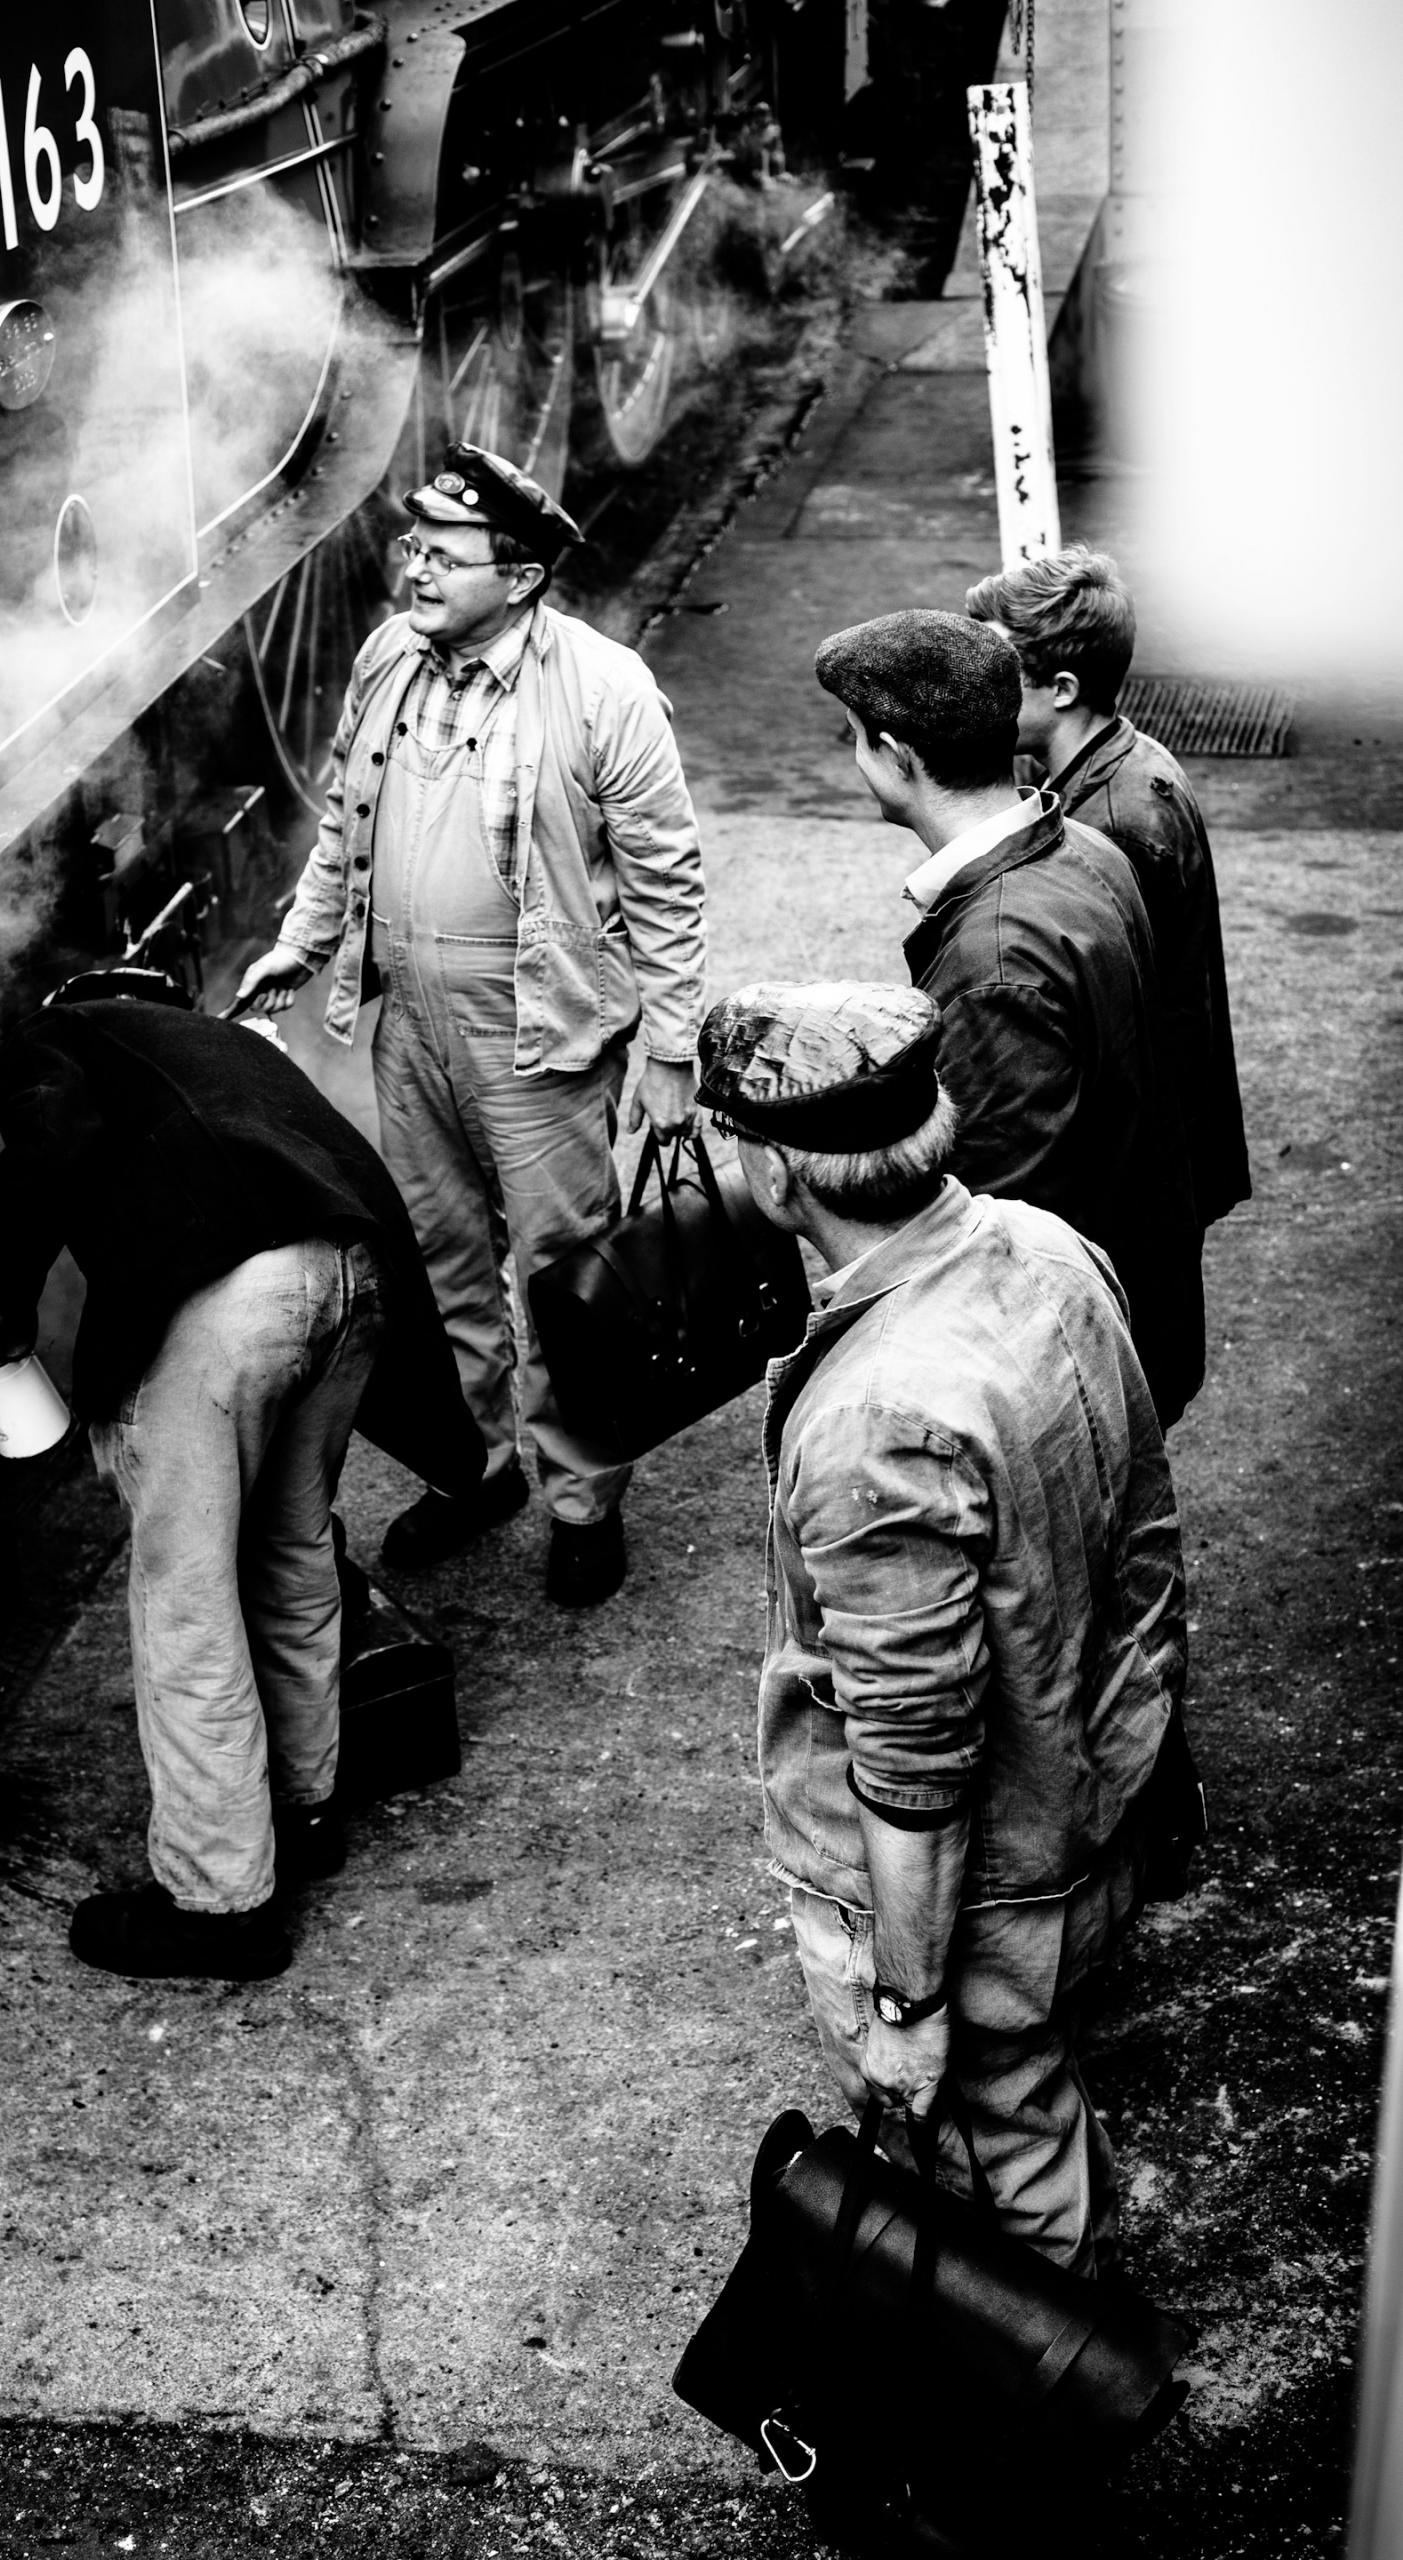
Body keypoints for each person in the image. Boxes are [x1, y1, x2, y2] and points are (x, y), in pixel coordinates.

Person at [696, 977, 1189, 2277]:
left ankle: (1051, 2381)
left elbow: (913, 1760)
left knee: (990, 2169)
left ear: (778, 1171)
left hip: (979, 1897)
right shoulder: (1045, 1247)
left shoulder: (881, 1421)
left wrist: (907, 2002)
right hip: (1085, 1803)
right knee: (1023, 2104)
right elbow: (1143, 1540)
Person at [0, 968, 483, 1982]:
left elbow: (46, 1149)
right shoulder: (220, 1046)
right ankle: (303, 1812)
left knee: (186, 1598)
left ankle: (220, 1904)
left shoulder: (61, 1031)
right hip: (356, 1277)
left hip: (239, 1301)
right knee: (293, 1550)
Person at [236, 442, 707, 1607]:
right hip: (411, 1021)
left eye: (445, 556)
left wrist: (671, 1048)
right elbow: (344, 820)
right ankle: (480, 1468)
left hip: (536, 1029)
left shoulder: (604, 688)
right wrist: (303, 940)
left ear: (523, 576)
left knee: (563, 1275)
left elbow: (667, 883)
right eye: (415, 546)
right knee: (440, 1260)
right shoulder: (388, 656)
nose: (415, 570)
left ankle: (584, 1500)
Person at [814, 607, 1205, 1427]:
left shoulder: (993, 962)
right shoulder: (1086, 848)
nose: (854, 756)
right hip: (1132, 1302)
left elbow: (994, 1224)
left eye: (855, 737)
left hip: (1062, 1368)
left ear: (896, 754)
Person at [966, 545, 1250, 1231]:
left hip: (1134, 1181)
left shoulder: (1113, 825)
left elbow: (1124, 1027)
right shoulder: (1124, 762)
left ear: (1062, 689)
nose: (976, 689)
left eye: (997, 671)